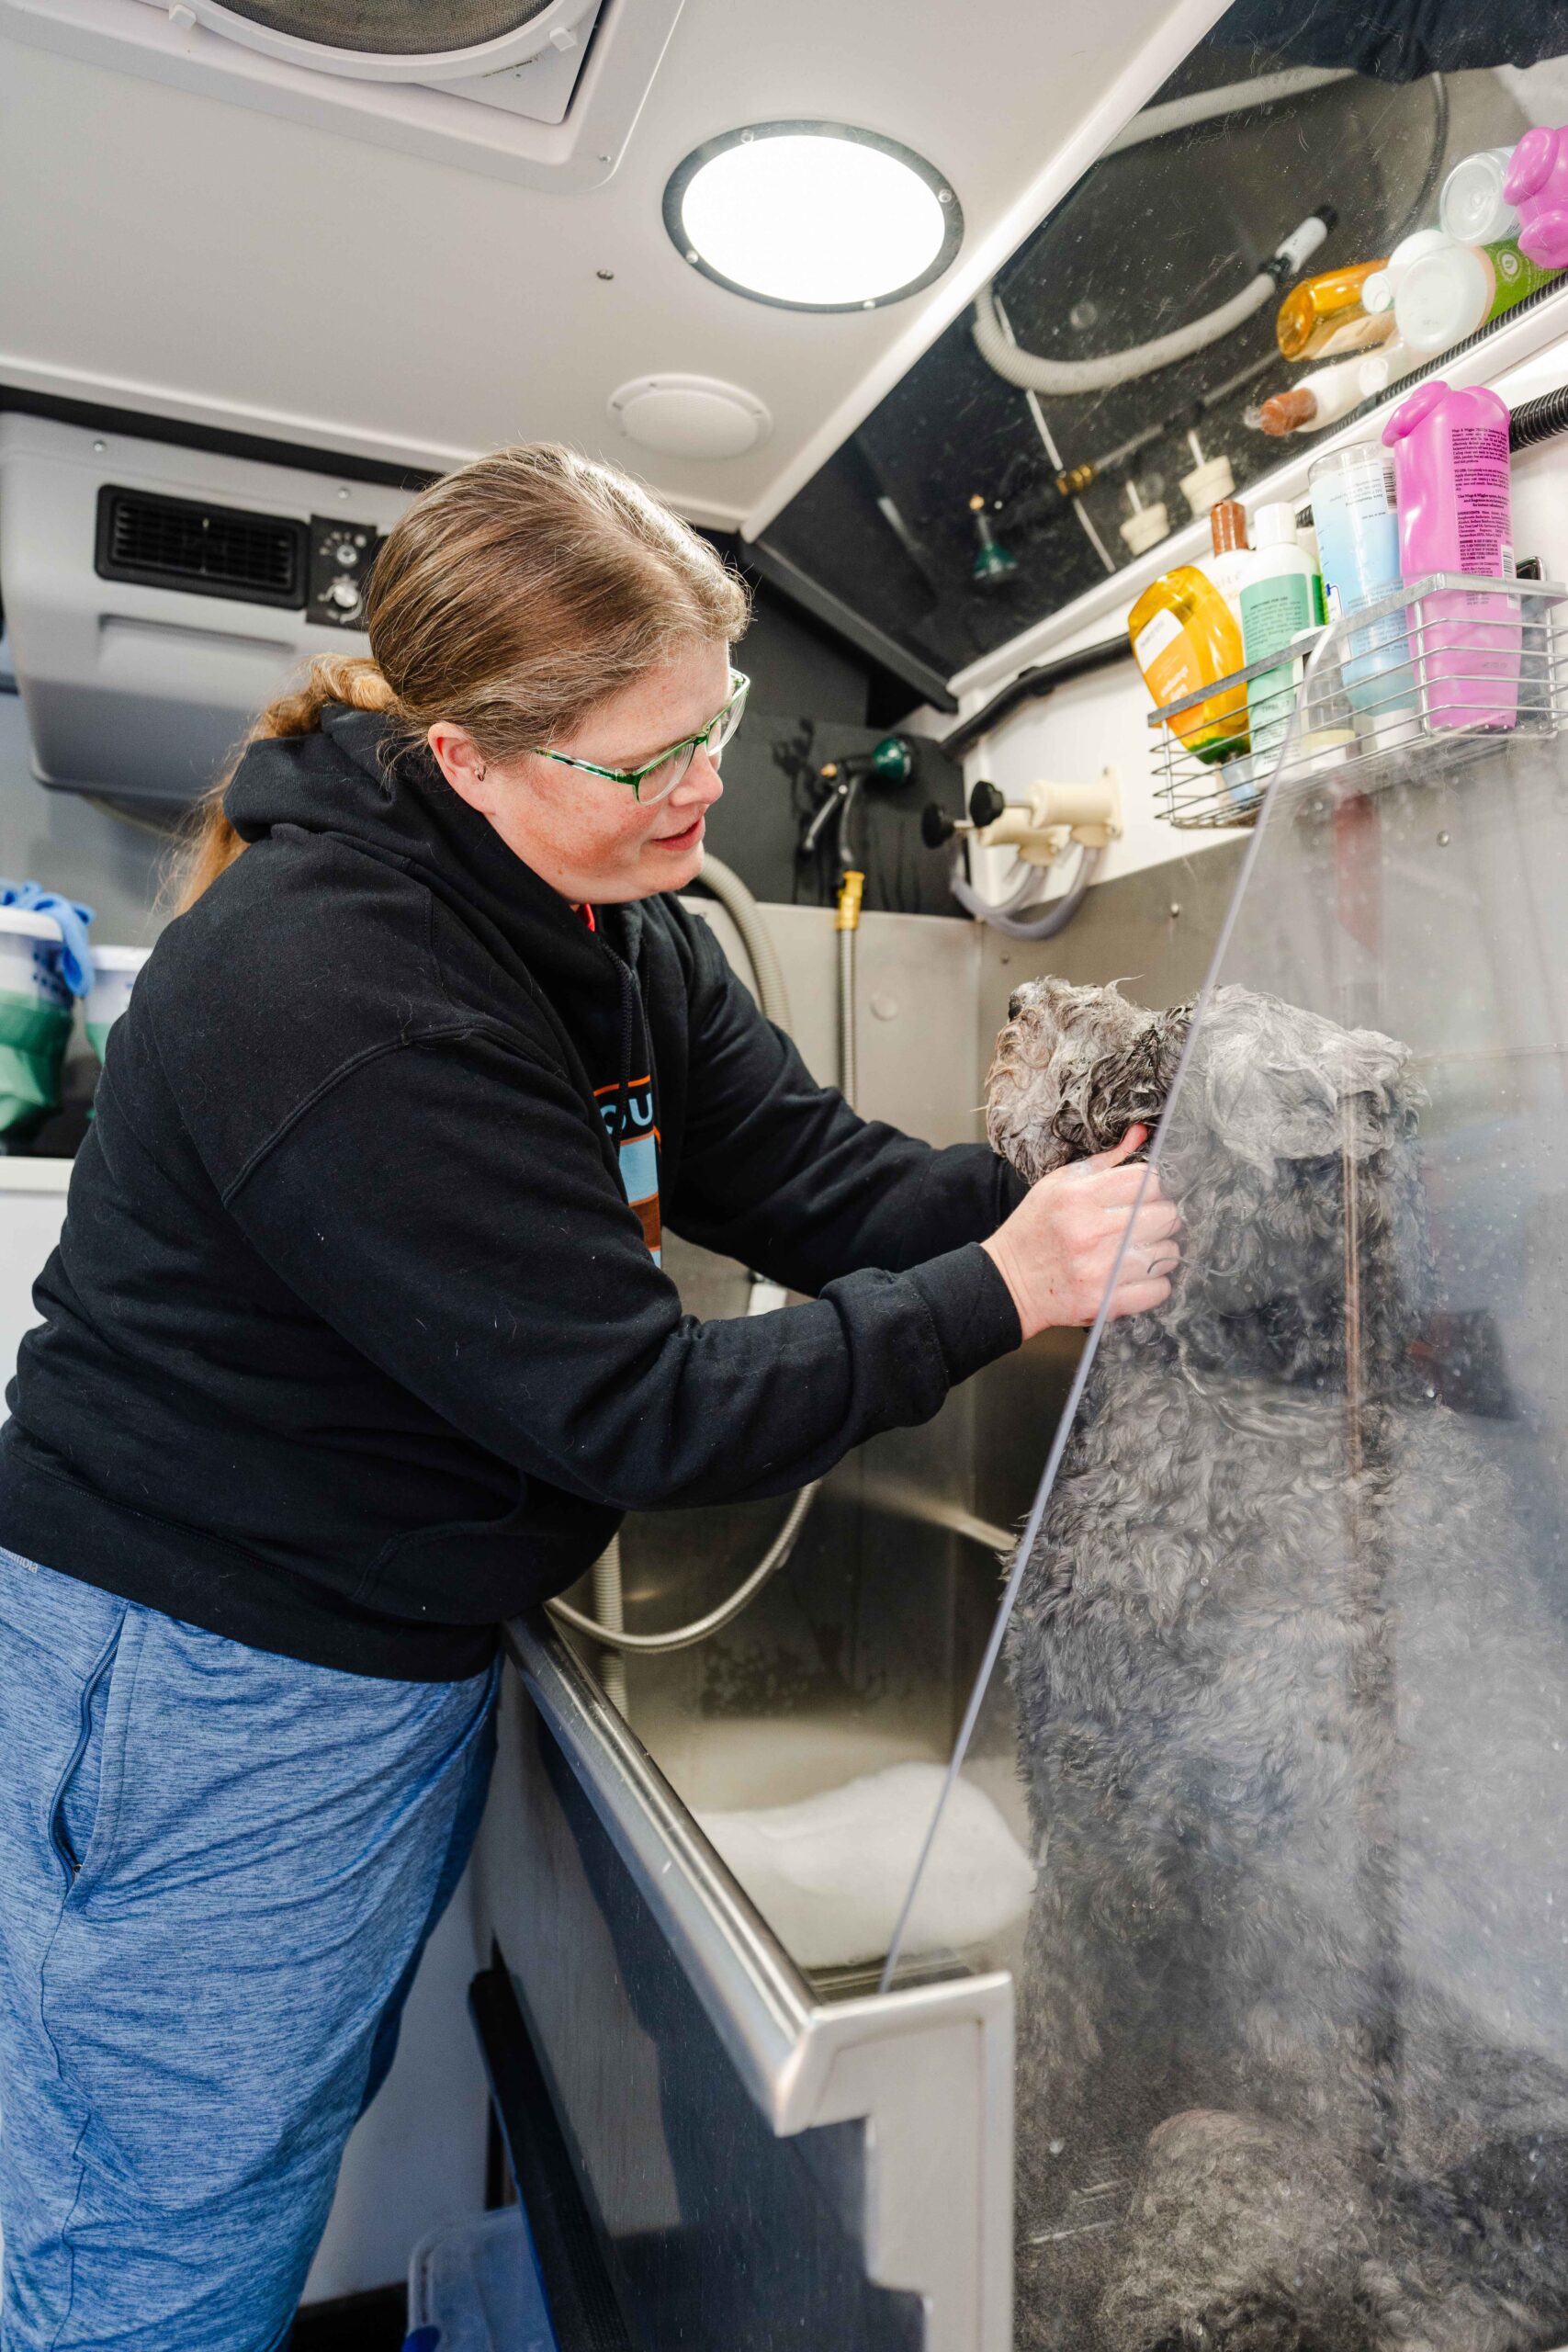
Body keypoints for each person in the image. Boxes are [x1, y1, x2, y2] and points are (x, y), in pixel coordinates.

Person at [0, 444, 1179, 2351]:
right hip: (200, 1675)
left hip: (362, 1644)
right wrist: (997, 1290)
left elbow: (805, 1176)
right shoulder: (331, 984)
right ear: (465, 749)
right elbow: (631, 1411)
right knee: (156, 2234)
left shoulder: (602, 920)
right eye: (648, 762)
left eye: (708, 729)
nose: (700, 788)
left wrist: (1056, 1203)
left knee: (248, 2144)